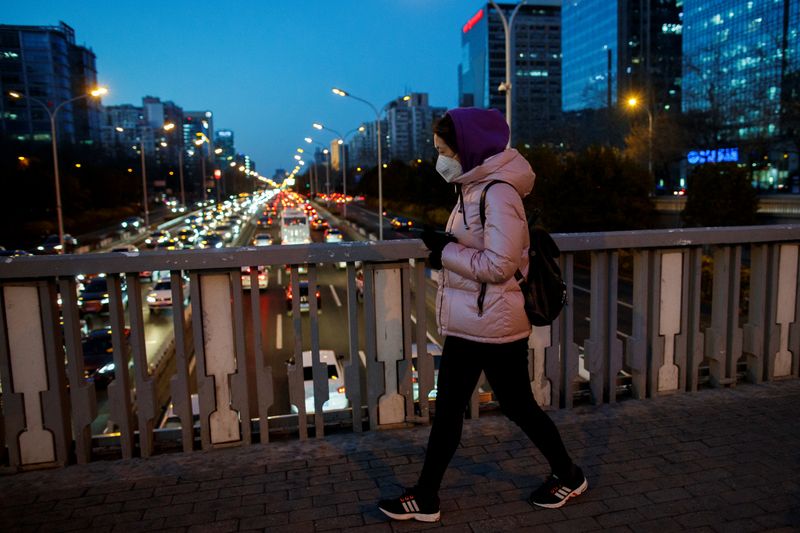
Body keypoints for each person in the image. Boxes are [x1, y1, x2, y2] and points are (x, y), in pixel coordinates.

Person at [378, 108, 587, 523]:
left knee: (518, 407)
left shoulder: (499, 193)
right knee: (454, 410)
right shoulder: (471, 189)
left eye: (443, 150)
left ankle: (569, 473)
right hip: (470, 322)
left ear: (467, 148)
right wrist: (446, 242)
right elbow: (477, 248)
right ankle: (426, 496)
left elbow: (499, 265)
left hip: (494, 324)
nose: (440, 159)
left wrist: (444, 252)